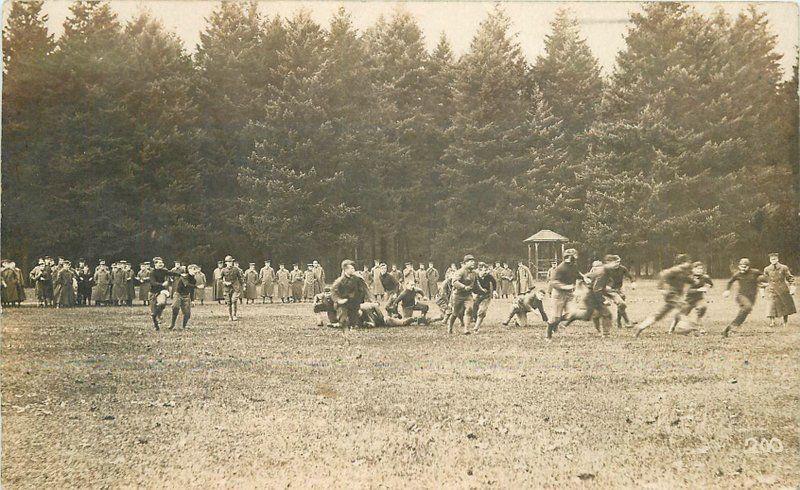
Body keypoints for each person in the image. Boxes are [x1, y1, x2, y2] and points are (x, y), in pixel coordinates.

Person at [635, 254, 694, 337]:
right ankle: (683, 326)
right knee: (684, 306)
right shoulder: (676, 270)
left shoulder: (684, 272)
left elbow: (691, 281)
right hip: (672, 294)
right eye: (687, 262)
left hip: (676, 295)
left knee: (660, 314)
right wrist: (661, 288)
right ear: (682, 263)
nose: (689, 264)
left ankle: (642, 326)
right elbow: (663, 274)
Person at [722, 258, 767, 337]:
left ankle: (731, 328)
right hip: (741, 295)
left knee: (746, 311)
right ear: (739, 266)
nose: (743, 268)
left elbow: (764, 277)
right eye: (741, 266)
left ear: (749, 266)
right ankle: (734, 325)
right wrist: (727, 290)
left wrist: (764, 283)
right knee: (747, 307)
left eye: (745, 267)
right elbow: (730, 282)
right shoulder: (737, 274)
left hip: (752, 296)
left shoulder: (755, 272)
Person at [546, 249, 582, 337]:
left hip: (569, 294)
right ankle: (549, 334)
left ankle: (557, 324)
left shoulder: (573, 266)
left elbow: (577, 274)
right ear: (569, 257)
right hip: (559, 295)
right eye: (574, 256)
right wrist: (564, 286)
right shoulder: (560, 268)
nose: (575, 258)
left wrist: (584, 278)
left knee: (572, 313)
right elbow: (553, 281)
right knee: (555, 318)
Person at [670, 261, 713, 333]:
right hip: (688, 300)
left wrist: (707, 287)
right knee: (679, 314)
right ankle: (672, 327)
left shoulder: (705, 277)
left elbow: (710, 284)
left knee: (701, 308)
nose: (699, 270)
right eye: (697, 268)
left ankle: (701, 328)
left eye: (701, 268)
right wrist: (699, 290)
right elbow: (687, 291)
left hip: (699, 299)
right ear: (692, 269)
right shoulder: (689, 278)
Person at [331, 259, 372, 329]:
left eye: (354, 268)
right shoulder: (339, 281)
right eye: (352, 268)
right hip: (344, 304)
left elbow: (365, 290)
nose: (354, 269)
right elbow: (333, 292)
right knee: (343, 322)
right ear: (345, 270)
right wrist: (339, 300)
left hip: (354, 305)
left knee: (356, 323)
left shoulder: (357, 279)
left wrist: (368, 300)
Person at [148, 257, 181, 330]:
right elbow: (153, 283)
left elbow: (172, 273)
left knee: (162, 303)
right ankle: (156, 326)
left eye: (162, 263)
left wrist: (181, 275)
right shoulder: (152, 272)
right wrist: (162, 284)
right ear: (155, 264)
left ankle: (159, 315)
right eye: (159, 263)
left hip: (161, 292)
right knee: (153, 313)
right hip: (153, 293)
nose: (161, 264)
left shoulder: (164, 271)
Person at [762, 253, 795, 327]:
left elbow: (790, 278)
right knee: (771, 305)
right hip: (772, 289)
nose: (773, 260)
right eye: (771, 259)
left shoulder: (783, 268)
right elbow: (764, 279)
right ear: (770, 260)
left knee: (784, 306)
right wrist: (763, 290)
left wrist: (792, 286)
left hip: (783, 289)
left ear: (777, 259)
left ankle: (785, 322)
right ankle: (772, 322)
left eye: (775, 259)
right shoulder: (767, 269)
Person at [448, 255, 478, 335]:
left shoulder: (474, 273)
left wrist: (482, 291)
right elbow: (454, 282)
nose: (473, 263)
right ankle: (450, 327)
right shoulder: (460, 271)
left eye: (473, 261)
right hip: (458, 295)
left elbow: (476, 284)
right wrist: (464, 287)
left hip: (468, 296)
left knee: (470, 309)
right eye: (471, 261)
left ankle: (466, 329)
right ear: (465, 263)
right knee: (455, 313)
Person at [604, 255, 636, 328]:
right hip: (610, 290)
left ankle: (619, 322)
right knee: (621, 304)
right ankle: (627, 322)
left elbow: (630, 276)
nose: (617, 263)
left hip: (620, 288)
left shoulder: (622, 268)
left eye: (618, 262)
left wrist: (633, 282)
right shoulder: (607, 269)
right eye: (616, 262)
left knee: (621, 306)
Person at [470, 262, 497, 333]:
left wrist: (494, 291)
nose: (485, 272)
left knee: (482, 310)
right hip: (477, 295)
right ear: (479, 269)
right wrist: (473, 293)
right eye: (483, 270)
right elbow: (471, 285)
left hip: (486, 296)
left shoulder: (488, 276)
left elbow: (494, 282)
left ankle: (476, 328)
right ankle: (475, 320)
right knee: (474, 309)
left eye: (486, 270)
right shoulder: (475, 276)